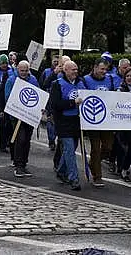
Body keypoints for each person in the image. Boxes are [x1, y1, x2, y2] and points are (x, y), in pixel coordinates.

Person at [50, 60, 85, 191]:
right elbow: (56, 104)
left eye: (76, 69)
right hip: (63, 122)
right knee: (69, 149)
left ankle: (60, 170)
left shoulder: (81, 83)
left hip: (76, 121)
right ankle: (73, 178)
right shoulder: (57, 84)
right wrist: (72, 102)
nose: (75, 72)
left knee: (70, 149)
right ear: (65, 70)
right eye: (72, 70)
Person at [84, 58, 115, 187]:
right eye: (102, 69)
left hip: (106, 120)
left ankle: (93, 163)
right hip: (93, 120)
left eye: (106, 69)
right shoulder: (86, 80)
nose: (104, 72)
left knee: (108, 147)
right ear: (95, 67)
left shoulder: (110, 80)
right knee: (96, 148)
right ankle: (97, 176)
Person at [5, 60, 39, 178]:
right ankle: (18, 165)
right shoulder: (11, 80)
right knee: (21, 139)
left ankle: (24, 163)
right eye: (22, 71)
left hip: (29, 116)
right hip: (16, 115)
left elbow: (37, 95)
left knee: (27, 140)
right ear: (17, 69)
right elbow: (7, 97)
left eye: (26, 71)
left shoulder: (33, 80)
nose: (24, 73)